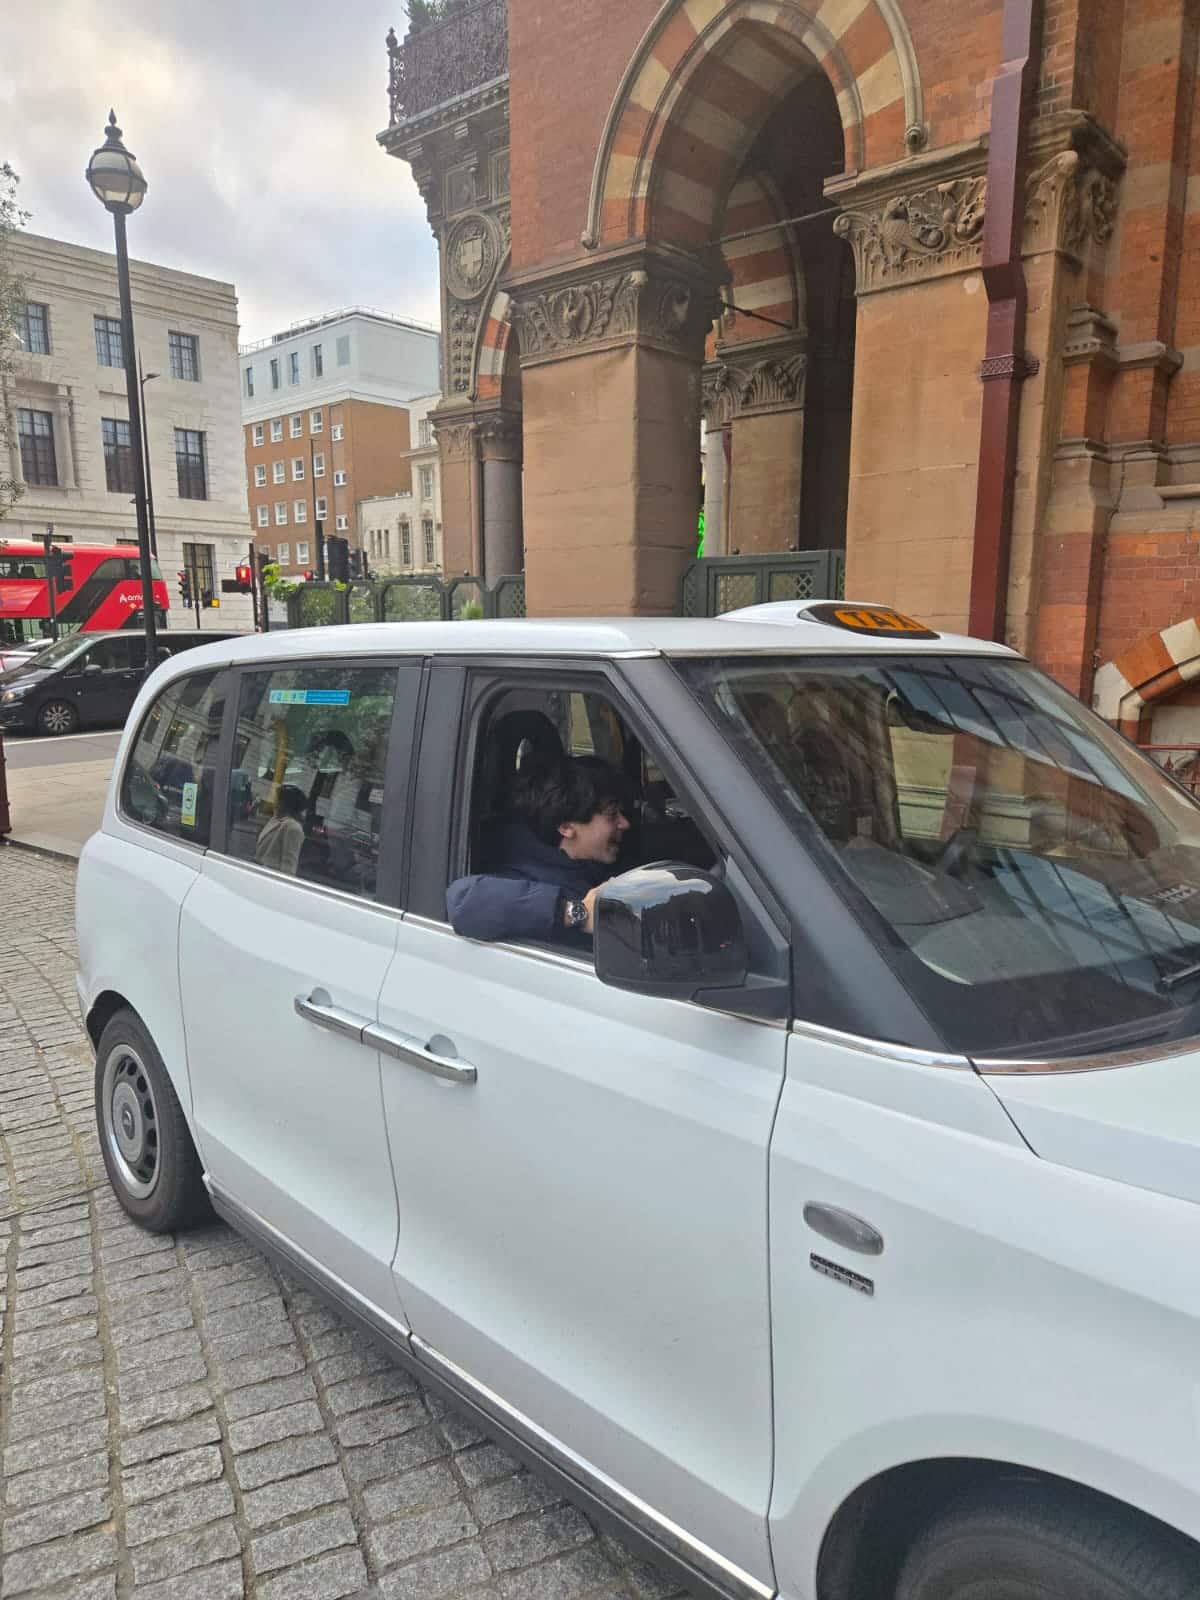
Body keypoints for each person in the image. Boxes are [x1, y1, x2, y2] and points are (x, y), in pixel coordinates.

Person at [447, 754, 631, 945]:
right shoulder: (524, 877)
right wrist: (578, 913)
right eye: (612, 815)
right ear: (566, 827)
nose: (625, 823)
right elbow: (463, 901)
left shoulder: (593, 867)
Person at [255, 785, 307, 876]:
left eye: (277, 799)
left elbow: (289, 866)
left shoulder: (293, 828)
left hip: (269, 878)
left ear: (284, 803)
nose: (274, 802)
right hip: (259, 873)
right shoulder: (276, 819)